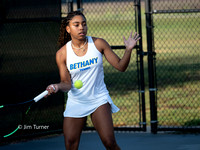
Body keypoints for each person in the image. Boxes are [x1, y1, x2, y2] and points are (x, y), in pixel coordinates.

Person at [46, 11, 140, 150]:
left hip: (99, 99)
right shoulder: (62, 54)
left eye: (84, 24)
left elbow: (121, 66)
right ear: (68, 28)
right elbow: (66, 83)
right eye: (76, 25)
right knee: (70, 144)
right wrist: (57, 87)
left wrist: (128, 50)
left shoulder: (98, 43)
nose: (81, 28)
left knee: (109, 142)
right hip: (76, 101)